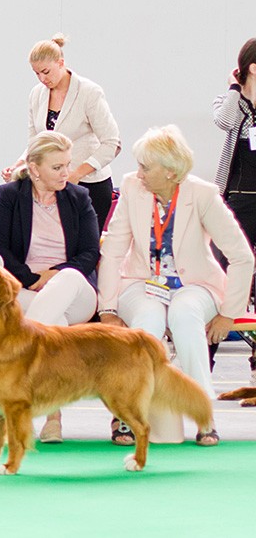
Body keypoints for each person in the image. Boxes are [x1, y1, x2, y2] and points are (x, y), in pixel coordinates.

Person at [98, 125, 253, 447]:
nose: (138, 173)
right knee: (148, 325)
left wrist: (228, 313)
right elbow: (112, 252)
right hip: (141, 280)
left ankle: (203, 415)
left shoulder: (203, 194)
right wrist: (108, 309)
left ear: (170, 172)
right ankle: (128, 415)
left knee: (184, 316)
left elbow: (241, 257)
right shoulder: (131, 187)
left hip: (195, 283)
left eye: (145, 167)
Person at [0, 130, 99, 443]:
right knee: (54, 324)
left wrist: (54, 274)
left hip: (75, 291)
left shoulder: (79, 198)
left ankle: (18, 399)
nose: (67, 172)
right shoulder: (10, 195)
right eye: (57, 167)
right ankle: (53, 415)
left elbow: (90, 253)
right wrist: (32, 279)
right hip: (26, 289)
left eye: (67, 165)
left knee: (67, 282)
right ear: (34, 169)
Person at [2, 34, 121, 231]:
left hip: (89, 184)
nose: (42, 79)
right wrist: (18, 165)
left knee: (83, 250)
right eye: (36, 73)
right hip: (51, 185)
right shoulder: (36, 94)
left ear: (61, 63)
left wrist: (76, 174)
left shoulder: (89, 92)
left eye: (46, 72)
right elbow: (36, 142)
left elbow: (112, 143)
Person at [213, 38, 256, 250]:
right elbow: (225, 122)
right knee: (238, 260)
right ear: (253, 68)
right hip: (239, 198)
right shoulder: (228, 100)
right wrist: (234, 88)